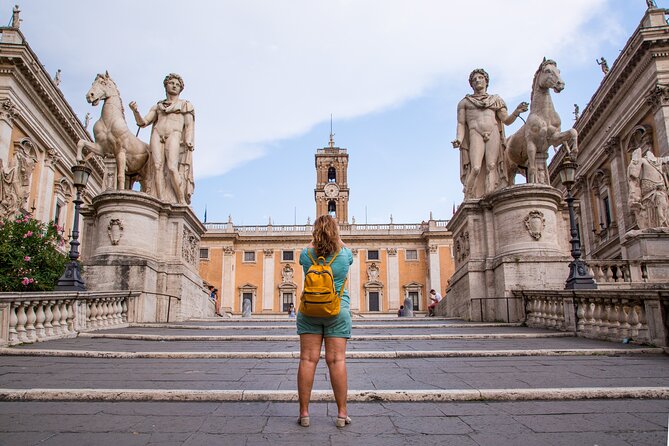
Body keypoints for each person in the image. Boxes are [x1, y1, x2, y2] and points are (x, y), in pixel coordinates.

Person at [297, 215, 353, 428]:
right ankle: (341, 414)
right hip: (337, 311)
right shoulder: (343, 255)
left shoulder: (306, 254)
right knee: (337, 360)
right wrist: (337, 238)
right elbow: (347, 252)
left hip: (309, 311)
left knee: (307, 360)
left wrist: (315, 239)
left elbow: (308, 249)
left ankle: (304, 413)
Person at [452, 69, 528, 199]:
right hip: (475, 132)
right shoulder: (465, 102)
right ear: (471, 84)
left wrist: (517, 111)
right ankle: (469, 194)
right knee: (475, 167)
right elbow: (460, 123)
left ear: (486, 81)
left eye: (480, 77)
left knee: (491, 166)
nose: (477, 80)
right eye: (474, 79)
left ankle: (490, 196)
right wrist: (459, 139)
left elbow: (506, 120)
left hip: (493, 131)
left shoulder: (496, 100)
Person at [129, 73, 195, 204]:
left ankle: (181, 200)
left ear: (181, 88)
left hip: (174, 134)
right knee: (157, 167)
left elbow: (189, 126)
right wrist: (135, 111)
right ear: (166, 85)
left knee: (171, 167)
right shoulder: (158, 106)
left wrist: (188, 139)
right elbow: (143, 123)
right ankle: (160, 200)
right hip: (157, 133)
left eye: (177, 84)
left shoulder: (185, 105)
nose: (174, 86)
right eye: (172, 83)